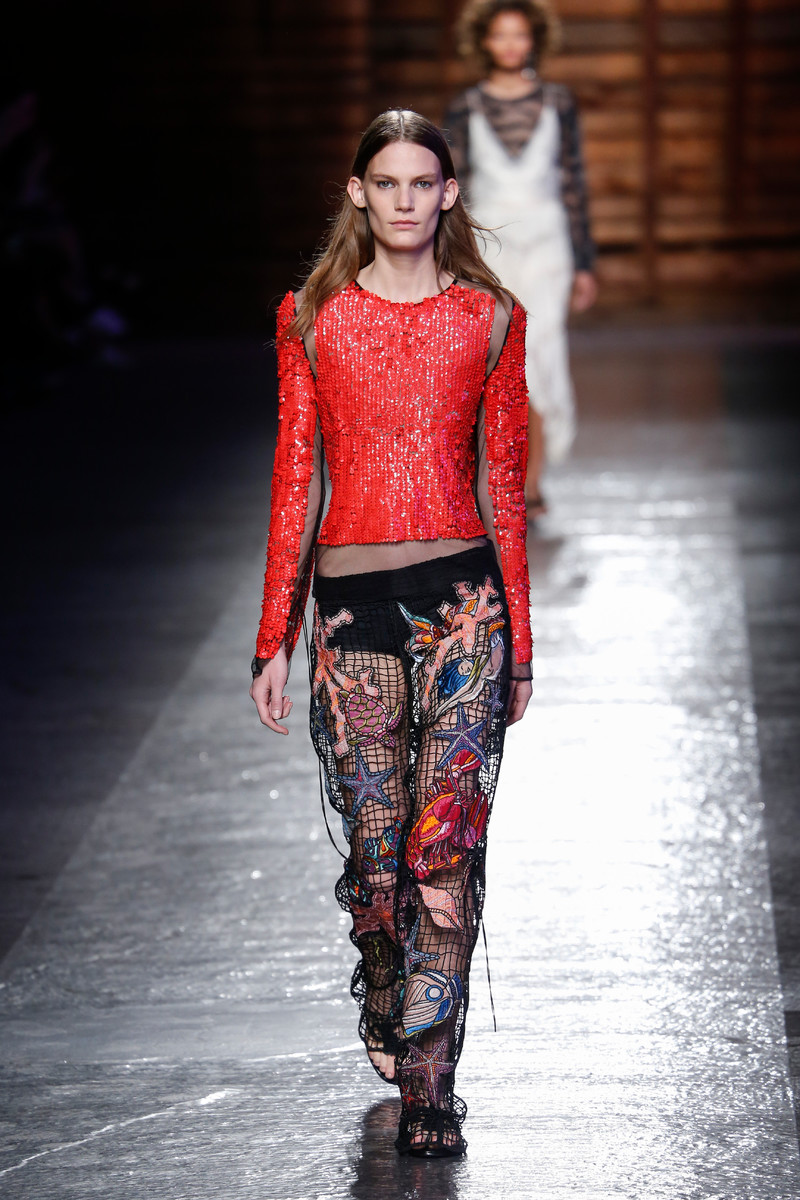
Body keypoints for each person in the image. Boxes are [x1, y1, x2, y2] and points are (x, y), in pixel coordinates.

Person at [250, 109, 532, 1159]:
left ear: (447, 193)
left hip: (465, 611)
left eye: (423, 182)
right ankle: (383, 981)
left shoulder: (490, 318)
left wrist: (522, 644)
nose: (406, 200)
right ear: (358, 193)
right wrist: (272, 637)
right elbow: (295, 479)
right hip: (351, 613)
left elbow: (504, 487)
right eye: (387, 183)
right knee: (377, 855)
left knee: (442, 850)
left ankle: (429, 1081)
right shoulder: (311, 317)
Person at [445, 0, 597, 516]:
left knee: (543, 351)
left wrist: (584, 263)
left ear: (535, 40)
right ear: (483, 41)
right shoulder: (465, 107)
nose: (510, 45)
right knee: (495, 357)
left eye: (520, 34)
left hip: (548, 243)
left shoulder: (559, 101)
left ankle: (532, 481)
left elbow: (574, 182)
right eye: (500, 35)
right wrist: (449, 260)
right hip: (489, 246)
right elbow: (453, 190)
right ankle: (499, 478)